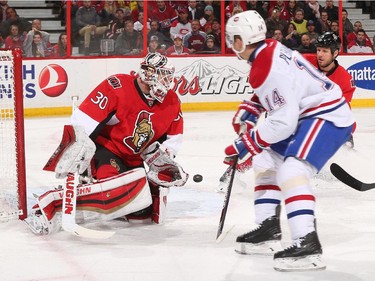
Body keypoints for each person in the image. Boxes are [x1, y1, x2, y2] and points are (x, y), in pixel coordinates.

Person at [225, 10, 354, 271]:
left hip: (325, 114)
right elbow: (285, 87)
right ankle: (268, 229)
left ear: (241, 40)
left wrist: (246, 144)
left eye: (233, 38)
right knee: (266, 159)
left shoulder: (264, 65)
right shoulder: (269, 48)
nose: (231, 44)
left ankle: (307, 244)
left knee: (291, 170)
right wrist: (252, 106)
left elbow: (283, 122)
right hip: (308, 112)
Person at [25, 53, 188, 235]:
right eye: (163, 75)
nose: (167, 82)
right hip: (107, 150)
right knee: (114, 193)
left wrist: (164, 165)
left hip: (134, 160)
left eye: (168, 76)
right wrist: (73, 149)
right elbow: (83, 121)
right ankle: (52, 205)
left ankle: (100, 201)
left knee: (141, 211)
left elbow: (171, 140)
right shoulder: (118, 86)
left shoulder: (172, 102)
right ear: (149, 74)